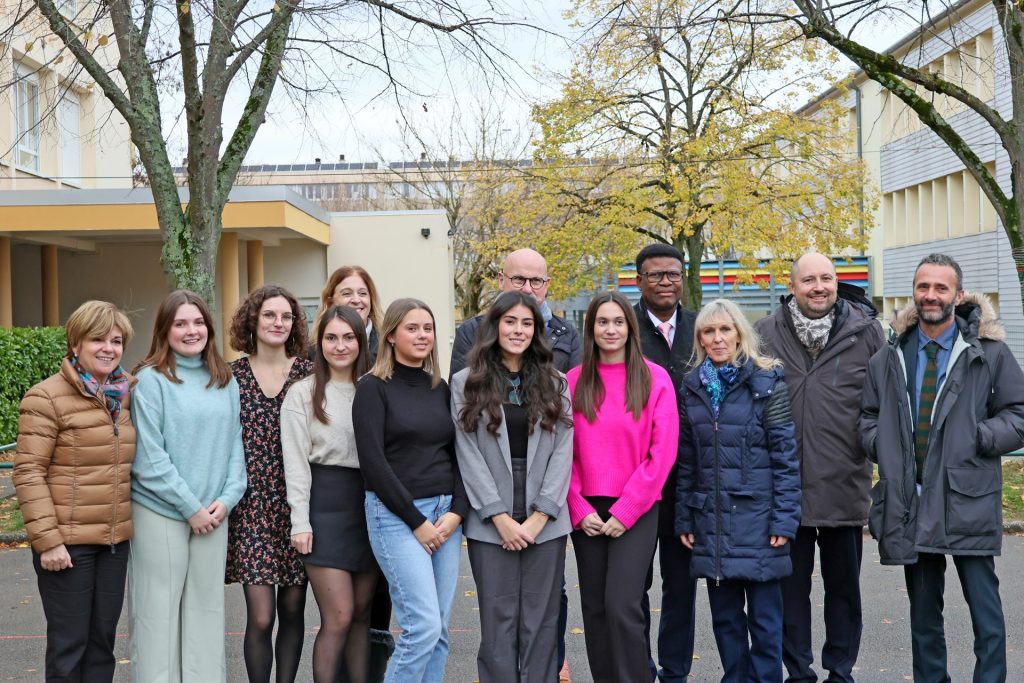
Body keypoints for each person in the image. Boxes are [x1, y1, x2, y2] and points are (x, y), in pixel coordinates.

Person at [859, 253, 1024, 683]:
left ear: (958, 294)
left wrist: (978, 437)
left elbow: (1018, 415)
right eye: (923, 287)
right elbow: (867, 418)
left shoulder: (989, 354)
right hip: (911, 501)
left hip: (967, 496)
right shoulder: (888, 356)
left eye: (941, 288)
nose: (931, 295)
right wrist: (885, 447)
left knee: (985, 614)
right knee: (923, 616)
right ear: (914, 292)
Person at [449, 247, 581, 680]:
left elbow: (564, 449)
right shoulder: (466, 383)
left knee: (542, 623)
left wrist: (542, 515)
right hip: (491, 514)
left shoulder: (557, 381)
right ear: (494, 326)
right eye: (510, 321)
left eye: (527, 323)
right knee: (498, 622)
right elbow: (467, 453)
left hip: (546, 512)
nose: (519, 330)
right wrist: (500, 518)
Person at [754, 252, 884, 683]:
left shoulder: (866, 333)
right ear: (792, 287)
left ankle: (840, 671)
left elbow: (883, 406)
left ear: (836, 281)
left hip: (843, 484)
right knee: (790, 592)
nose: (819, 287)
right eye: (808, 280)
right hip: (783, 489)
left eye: (826, 278)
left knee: (843, 590)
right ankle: (799, 672)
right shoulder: (764, 333)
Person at [676, 298, 801, 683]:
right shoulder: (692, 387)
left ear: (739, 333)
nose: (717, 339)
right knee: (726, 622)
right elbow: (686, 461)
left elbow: (786, 458)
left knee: (765, 623)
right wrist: (685, 516)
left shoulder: (767, 382)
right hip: (712, 524)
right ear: (699, 339)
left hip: (761, 523)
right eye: (708, 332)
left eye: (724, 330)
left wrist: (785, 518)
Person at [129, 289, 248, 682]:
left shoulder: (224, 379)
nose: (191, 330)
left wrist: (226, 500)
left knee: (206, 611)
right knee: (158, 613)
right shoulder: (150, 381)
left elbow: (235, 445)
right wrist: (190, 508)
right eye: (180, 323)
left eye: (198, 322)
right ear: (165, 330)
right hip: (161, 511)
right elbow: (150, 457)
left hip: (214, 514)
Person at [13, 301, 136, 682]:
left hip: (113, 542)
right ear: (75, 344)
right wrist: (48, 541)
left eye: (116, 341)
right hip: (67, 545)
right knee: (69, 648)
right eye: (97, 339)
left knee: (102, 645)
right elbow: (29, 471)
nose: (108, 348)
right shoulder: (46, 397)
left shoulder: (126, 393)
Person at [353, 298, 468, 683]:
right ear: (390, 335)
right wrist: (417, 521)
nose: (422, 336)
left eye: (428, 328)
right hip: (396, 516)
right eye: (412, 328)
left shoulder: (441, 388)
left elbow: (460, 456)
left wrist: (455, 514)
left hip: (445, 515)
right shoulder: (371, 388)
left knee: (439, 630)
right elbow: (373, 464)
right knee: (421, 627)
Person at [567, 291, 677, 683]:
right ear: (591, 328)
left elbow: (661, 453)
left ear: (630, 328)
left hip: (638, 506)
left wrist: (626, 510)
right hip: (586, 509)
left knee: (622, 605)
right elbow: (563, 454)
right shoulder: (574, 381)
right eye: (602, 322)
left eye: (618, 322)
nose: (610, 329)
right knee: (595, 609)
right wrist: (579, 510)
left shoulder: (654, 378)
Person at [282, 305, 379, 683]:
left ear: (361, 340)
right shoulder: (302, 394)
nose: (340, 346)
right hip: (324, 509)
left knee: (360, 615)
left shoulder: (375, 388)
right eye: (331, 338)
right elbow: (295, 465)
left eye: (349, 337)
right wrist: (300, 522)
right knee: (337, 615)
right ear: (318, 343)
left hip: (369, 508)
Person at [225, 285, 313, 683]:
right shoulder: (230, 376)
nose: (279, 323)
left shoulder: (310, 374)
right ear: (253, 321)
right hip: (252, 508)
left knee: (294, 610)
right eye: (270, 315)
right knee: (261, 617)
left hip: (299, 506)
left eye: (286, 317)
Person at [631, 243, 698, 682]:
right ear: (639, 281)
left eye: (673, 274)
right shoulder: (622, 327)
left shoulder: (701, 327)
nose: (666, 282)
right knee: (633, 587)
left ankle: (674, 673)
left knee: (682, 588)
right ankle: (638, 669)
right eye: (655, 275)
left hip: (688, 481)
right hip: (634, 481)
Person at [450, 248, 581, 379]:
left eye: (536, 281)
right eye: (519, 279)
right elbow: (462, 392)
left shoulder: (567, 334)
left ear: (547, 284)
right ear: (501, 280)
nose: (527, 289)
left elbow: (576, 393)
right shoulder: (471, 331)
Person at [314, 265, 383, 360]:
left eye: (362, 293)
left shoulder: (390, 346)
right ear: (330, 301)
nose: (356, 300)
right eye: (347, 294)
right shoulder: (312, 350)